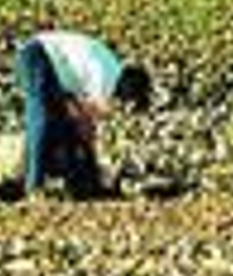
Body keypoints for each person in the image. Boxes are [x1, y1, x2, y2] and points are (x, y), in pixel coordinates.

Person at [15, 30, 152, 199]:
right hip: (37, 55)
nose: (124, 106)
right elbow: (87, 124)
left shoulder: (110, 67)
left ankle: (69, 183)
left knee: (62, 126)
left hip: (56, 70)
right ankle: (33, 186)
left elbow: (77, 110)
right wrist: (93, 160)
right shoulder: (106, 80)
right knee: (41, 119)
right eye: (129, 102)